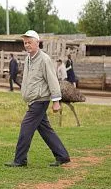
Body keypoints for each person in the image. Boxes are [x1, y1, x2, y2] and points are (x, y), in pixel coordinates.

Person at [5, 30, 70, 167]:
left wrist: (56, 101)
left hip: (40, 100)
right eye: (25, 43)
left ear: (37, 43)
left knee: (25, 127)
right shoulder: (29, 58)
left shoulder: (44, 59)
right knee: (45, 130)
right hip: (33, 100)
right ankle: (62, 155)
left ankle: (20, 159)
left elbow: (52, 80)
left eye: (30, 42)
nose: (27, 45)